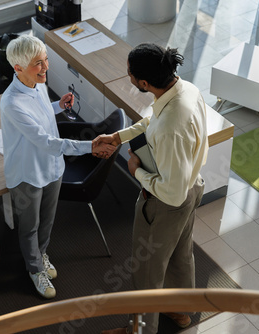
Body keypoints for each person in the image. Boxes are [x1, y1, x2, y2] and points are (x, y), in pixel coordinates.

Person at [97, 43, 208, 333]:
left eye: (131, 74)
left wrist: (136, 172)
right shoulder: (185, 91)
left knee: (147, 272)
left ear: (144, 83)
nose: (130, 77)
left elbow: (169, 191)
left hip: (166, 204)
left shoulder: (172, 125)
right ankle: (182, 311)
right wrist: (118, 137)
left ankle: (141, 331)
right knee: (181, 255)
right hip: (192, 188)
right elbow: (152, 121)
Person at [0, 35, 116, 299]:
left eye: (45, 60)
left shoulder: (37, 82)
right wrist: (91, 147)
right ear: (18, 68)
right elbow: (47, 142)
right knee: (30, 225)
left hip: (52, 167)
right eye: (37, 64)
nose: (45, 68)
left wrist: (57, 106)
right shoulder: (11, 103)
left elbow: (40, 113)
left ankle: (41, 255)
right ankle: (33, 269)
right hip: (28, 173)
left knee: (47, 220)